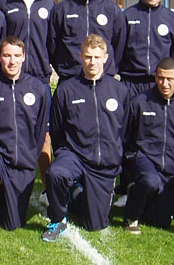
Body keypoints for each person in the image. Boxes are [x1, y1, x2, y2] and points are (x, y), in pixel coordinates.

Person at [42, 34, 127, 242]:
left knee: (94, 225)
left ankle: (76, 193)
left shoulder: (119, 91)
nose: (92, 62)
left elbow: (124, 130)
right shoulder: (66, 89)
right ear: (80, 56)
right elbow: (57, 129)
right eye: (88, 56)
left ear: (106, 58)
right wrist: (64, 153)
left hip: (103, 163)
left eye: (97, 57)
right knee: (56, 173)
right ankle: (57, 219)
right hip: (75, 155)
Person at [0, 36, 50, 244]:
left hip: (22, 158)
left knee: (13, 223)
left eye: (16, 56)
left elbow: (41, 129)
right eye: (6, 55)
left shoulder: (38, 88)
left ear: (24, 57)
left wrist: (30, 158)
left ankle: (1, 193)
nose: (12, 61)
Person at [115, 0, 174, 207]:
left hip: (158, 83)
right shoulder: (128, 16)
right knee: (129, 134)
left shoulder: (172, 19)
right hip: (131, 82)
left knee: (158, 132)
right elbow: (118, 49)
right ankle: (126, 184)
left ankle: (162, 182)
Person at [0, 0, 54, 207]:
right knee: (4, 132)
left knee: (43, 136)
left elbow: (54, 39)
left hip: (39, 77)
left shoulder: (49, 3)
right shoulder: (3, 3)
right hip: (10, 78)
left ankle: (48, 188)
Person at [122, 58, 174, 234]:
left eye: (170, 79)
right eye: (160, 78)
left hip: (170, 170)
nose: (165, 83)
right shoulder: (139, 102)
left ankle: (144, 201)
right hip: (144, 160)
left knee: (161, 222)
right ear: (155, 77)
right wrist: (130, 164)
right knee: (150, 181)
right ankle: (131, 216)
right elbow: (126, 137)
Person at [48, 0, 126, 82]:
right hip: (70, 78)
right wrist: (64, 68)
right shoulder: (62, 9)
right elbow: (52, 45)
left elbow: (120, 44)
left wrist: (108, 69)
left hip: (103, 79)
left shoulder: (112, 10)